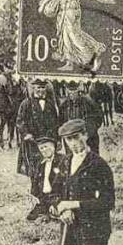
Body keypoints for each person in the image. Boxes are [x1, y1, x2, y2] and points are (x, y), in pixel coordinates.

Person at [38, 0, 116, 72]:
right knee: (67, 36)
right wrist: (44, 3)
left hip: (72, 10)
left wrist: (106, 0)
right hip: (65, 10)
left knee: (74, 37)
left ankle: (94, 58)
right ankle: (69, 63)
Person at [16, 78, 61, 212]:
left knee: (51, 172)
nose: (41, 91)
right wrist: (26, 133)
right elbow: (20, 121)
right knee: (36, 174)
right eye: (38, 88)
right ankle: (37, 206)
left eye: (43, 88)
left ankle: (51, 205)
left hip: (49, 143)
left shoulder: (51, 104)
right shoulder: (26, 104)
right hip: (33, 145)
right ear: (33, 89)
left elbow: (56, 122)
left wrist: (56, 139)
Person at [26, 136, 66, 220]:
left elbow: (65, 185)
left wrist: (55, 203)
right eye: (41, 148)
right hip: (44, 198)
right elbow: (35, 183)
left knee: (58, 213)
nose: (43, 150)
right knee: (31, 217)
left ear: (53, 147)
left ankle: (53, 212)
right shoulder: (40, 164)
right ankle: (47, 212)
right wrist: (34, 197)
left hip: (57, 197)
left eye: (46, 147)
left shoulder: (63, 160)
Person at [59, 83, 103, 154]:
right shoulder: (64, 106)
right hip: (71, 138)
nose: (72, 93)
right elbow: (61, 122)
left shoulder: (88, 102)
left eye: (74, 90)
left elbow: (98, 118)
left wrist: (89, 132)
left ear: (78, 89)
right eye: (70, 90)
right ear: (66, 90)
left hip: (88, 138)